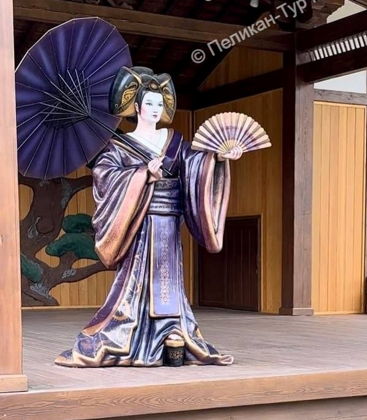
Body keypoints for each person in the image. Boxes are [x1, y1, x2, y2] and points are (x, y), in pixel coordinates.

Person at [55, 66, 241, 367]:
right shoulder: (118, 145)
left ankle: (173, 331)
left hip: (169, 219)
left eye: (159, 103)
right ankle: (129, 334)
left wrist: (217, 157)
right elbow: (104, 174)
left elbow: (194, 165)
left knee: (169, 280)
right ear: (137, 107)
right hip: (139, 224)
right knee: (136, 280)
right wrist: (142, 175)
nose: (155, 109)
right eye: (149, 103)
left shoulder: (175, 141)